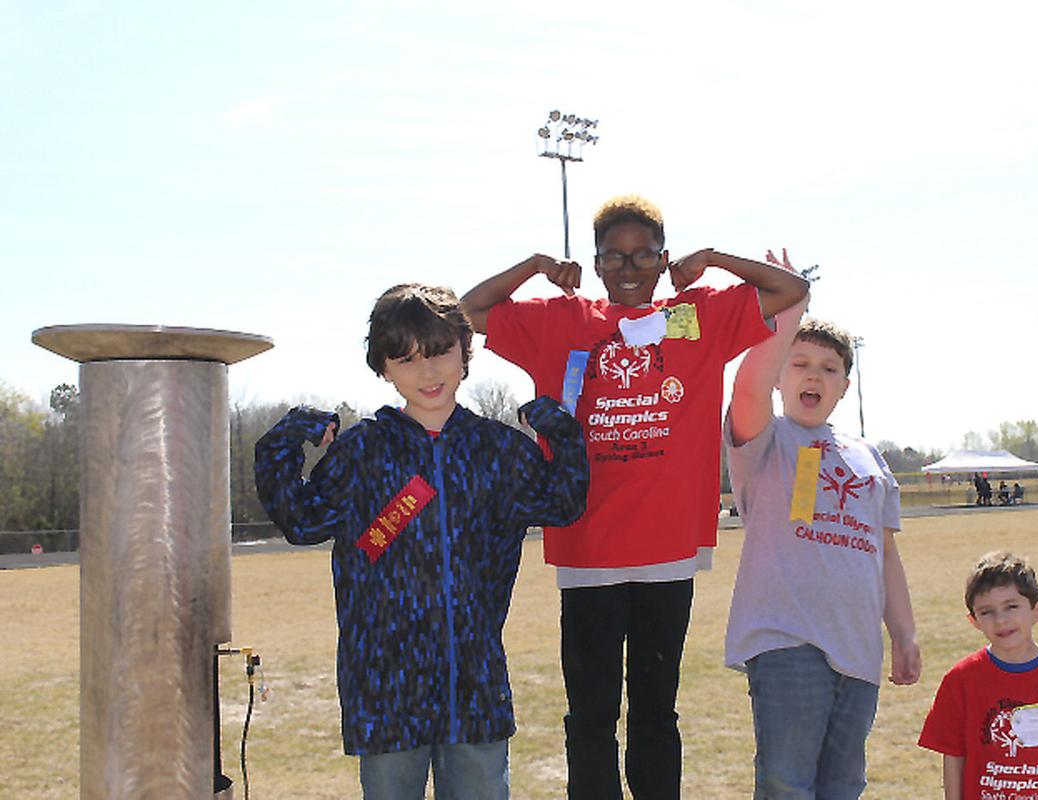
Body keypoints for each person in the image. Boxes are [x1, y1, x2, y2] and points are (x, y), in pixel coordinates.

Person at [461, 196, 809, 799]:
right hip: (586, 550)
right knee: (590, 716)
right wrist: (536, 265)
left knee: (656, 712)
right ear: (595, 263)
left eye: (643, 254)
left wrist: (716, 259)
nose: (629, 267)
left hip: (668, 550)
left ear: (662, 258)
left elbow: (789, 288)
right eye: (614, 256)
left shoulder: (694, 315)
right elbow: (468, 311)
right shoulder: (562, 319)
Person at [254, 284, 589, 799]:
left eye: (439, 353)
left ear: (464, 352)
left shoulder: (498, 451)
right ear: (383, 368)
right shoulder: (361, 453)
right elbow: (300, 521)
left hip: (473, 681)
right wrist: (284, 441)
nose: (427, 372)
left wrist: (560, 433)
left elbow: (563, 503)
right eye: (406, 359)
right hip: (383, 682)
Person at [724, 302, 921, 799]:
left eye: (829, 368)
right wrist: (785, 313)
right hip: (787, 642)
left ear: (845, 386)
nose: (814, 376)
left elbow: (885, 555)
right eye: (800, 363)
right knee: (787, 785)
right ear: (778, 376)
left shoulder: (869, 457)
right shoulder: (765, 440)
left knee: (843, 787)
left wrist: (903, 633)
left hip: (857, 649)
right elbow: (746, 389)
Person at [918, 552, 1038, 800]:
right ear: (974, 620)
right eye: (986, 612)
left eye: (1011, 606)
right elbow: (953, 754)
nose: (1001, 620)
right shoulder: (962, 680)